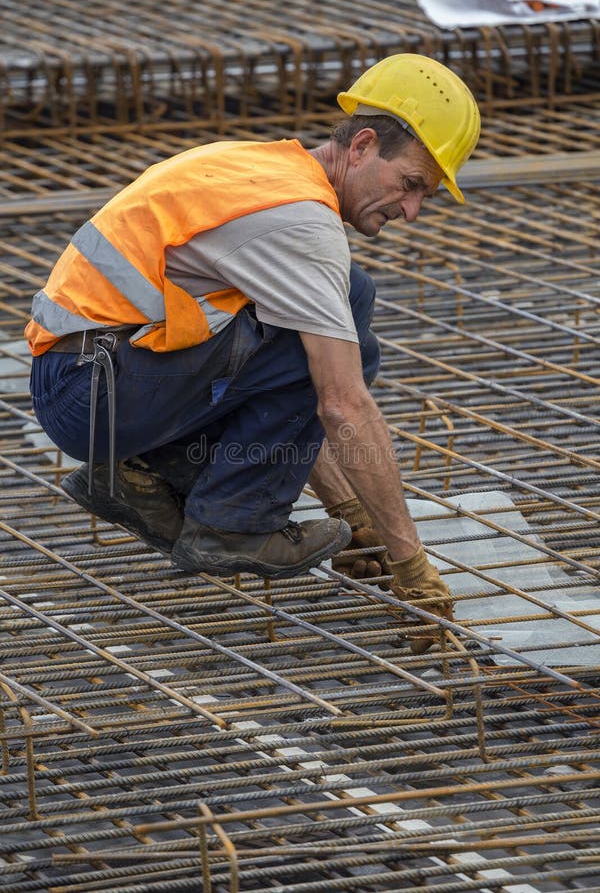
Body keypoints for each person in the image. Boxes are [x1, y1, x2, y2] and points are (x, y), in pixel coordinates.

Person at [25, 54, 480, 651]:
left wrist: (351, 519)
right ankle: (230, 524)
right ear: (363, 145)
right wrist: (410, 565)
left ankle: (143, 477)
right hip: (93, 393)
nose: (412, 210)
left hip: (88, 377)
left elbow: (283, 388)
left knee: (348, 298)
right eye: (411, 184)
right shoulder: (301, 226)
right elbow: (340, 404)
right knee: (335, 351)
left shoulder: (266, 168)